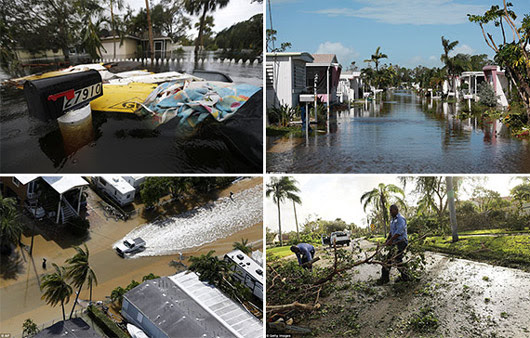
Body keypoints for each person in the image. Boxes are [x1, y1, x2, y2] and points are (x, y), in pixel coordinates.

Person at [379, 204, 410, 284]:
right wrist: (387, 239)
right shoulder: (392, 220)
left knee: (397, 259)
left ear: (396, 210)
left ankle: (406, 277)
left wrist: (391, 240)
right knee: (387, 259)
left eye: (391, 211)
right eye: (390, 211)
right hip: (395, 242)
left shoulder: (400, 219)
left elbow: (399, 232)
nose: (390, 212)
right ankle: (385, 279)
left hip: (401, 242)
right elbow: (391, 232)